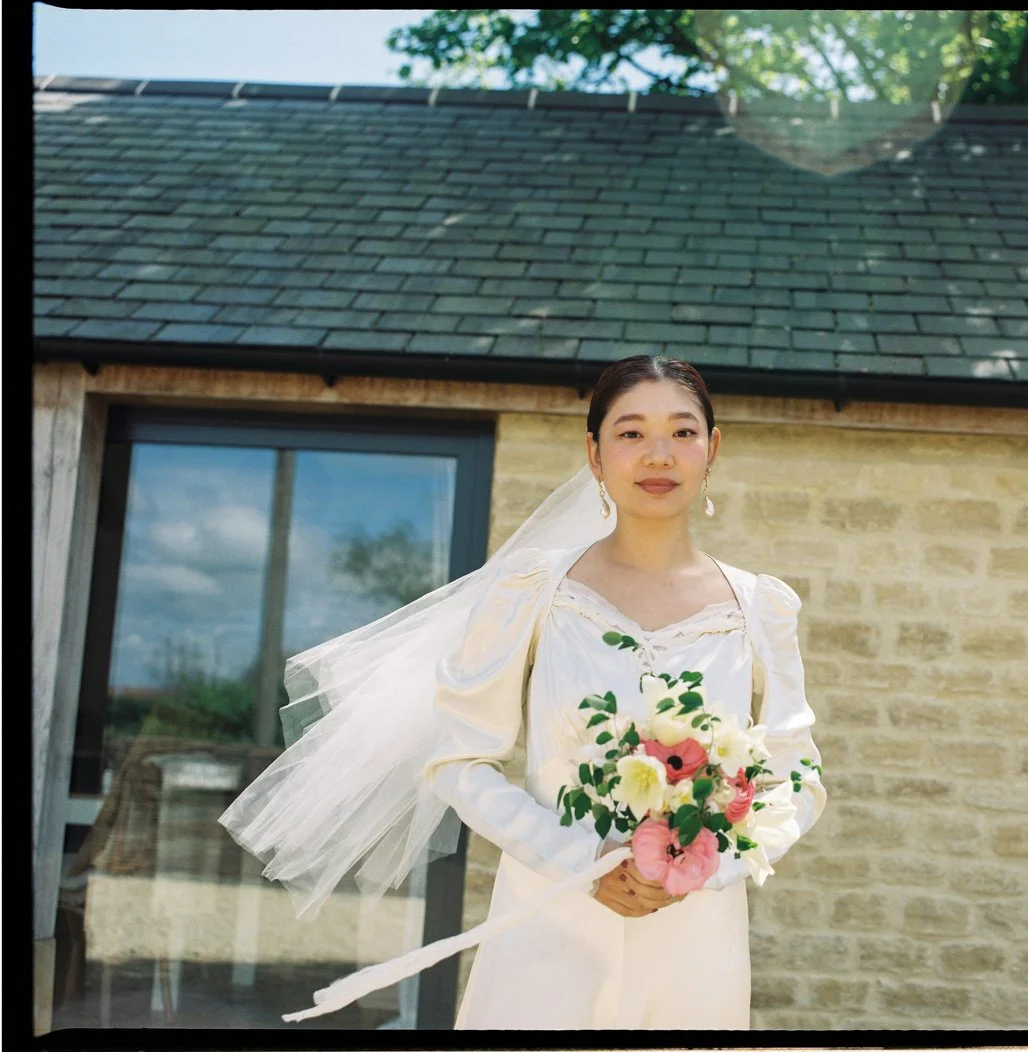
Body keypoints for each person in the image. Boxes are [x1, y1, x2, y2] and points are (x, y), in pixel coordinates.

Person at [220, 355, 825, 1030]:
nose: (659, 454)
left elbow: (796, 778)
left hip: (696, 938)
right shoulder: (531, 592)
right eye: (630, 433)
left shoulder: (760, 609)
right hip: (550, 924)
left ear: (712, 449)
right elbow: (457, 758)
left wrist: (699, 869)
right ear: (594, 454)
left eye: (682, 433)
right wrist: (581, 860)